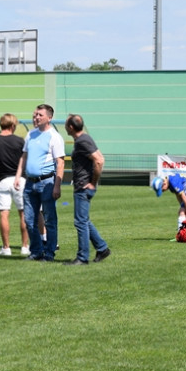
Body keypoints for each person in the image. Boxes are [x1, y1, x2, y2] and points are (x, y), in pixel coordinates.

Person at [14, 104, 65, 262]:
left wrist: (57, 185)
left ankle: (49, 253)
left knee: (49, 219)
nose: (36, 117)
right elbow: (24, 156)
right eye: (35, 114)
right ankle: (36, 251)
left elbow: (60, 162)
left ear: (49, 118)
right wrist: (18, 176)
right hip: (30, 183)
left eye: (40, 115)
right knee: (29, 220)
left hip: (46, 182)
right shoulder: (31, 134)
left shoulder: (54, 137)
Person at [64, 114, 110, 265]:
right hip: (82, 185)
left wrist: (92, 183)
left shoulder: (83, 140)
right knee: (84, 220)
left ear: (70, 127)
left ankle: (82, 257)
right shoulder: (83, 140)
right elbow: (99, 157)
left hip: (84, 186)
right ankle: (102, 248)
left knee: (80, 222)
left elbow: (99, 160)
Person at [0, 113, 30, 257]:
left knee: (4, 214)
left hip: (3, 181)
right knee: (23, 213)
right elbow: (26, 160)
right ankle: (24, 247)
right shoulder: (20, 141)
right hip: (19, 180)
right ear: (12, 126)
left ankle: (6, 248)